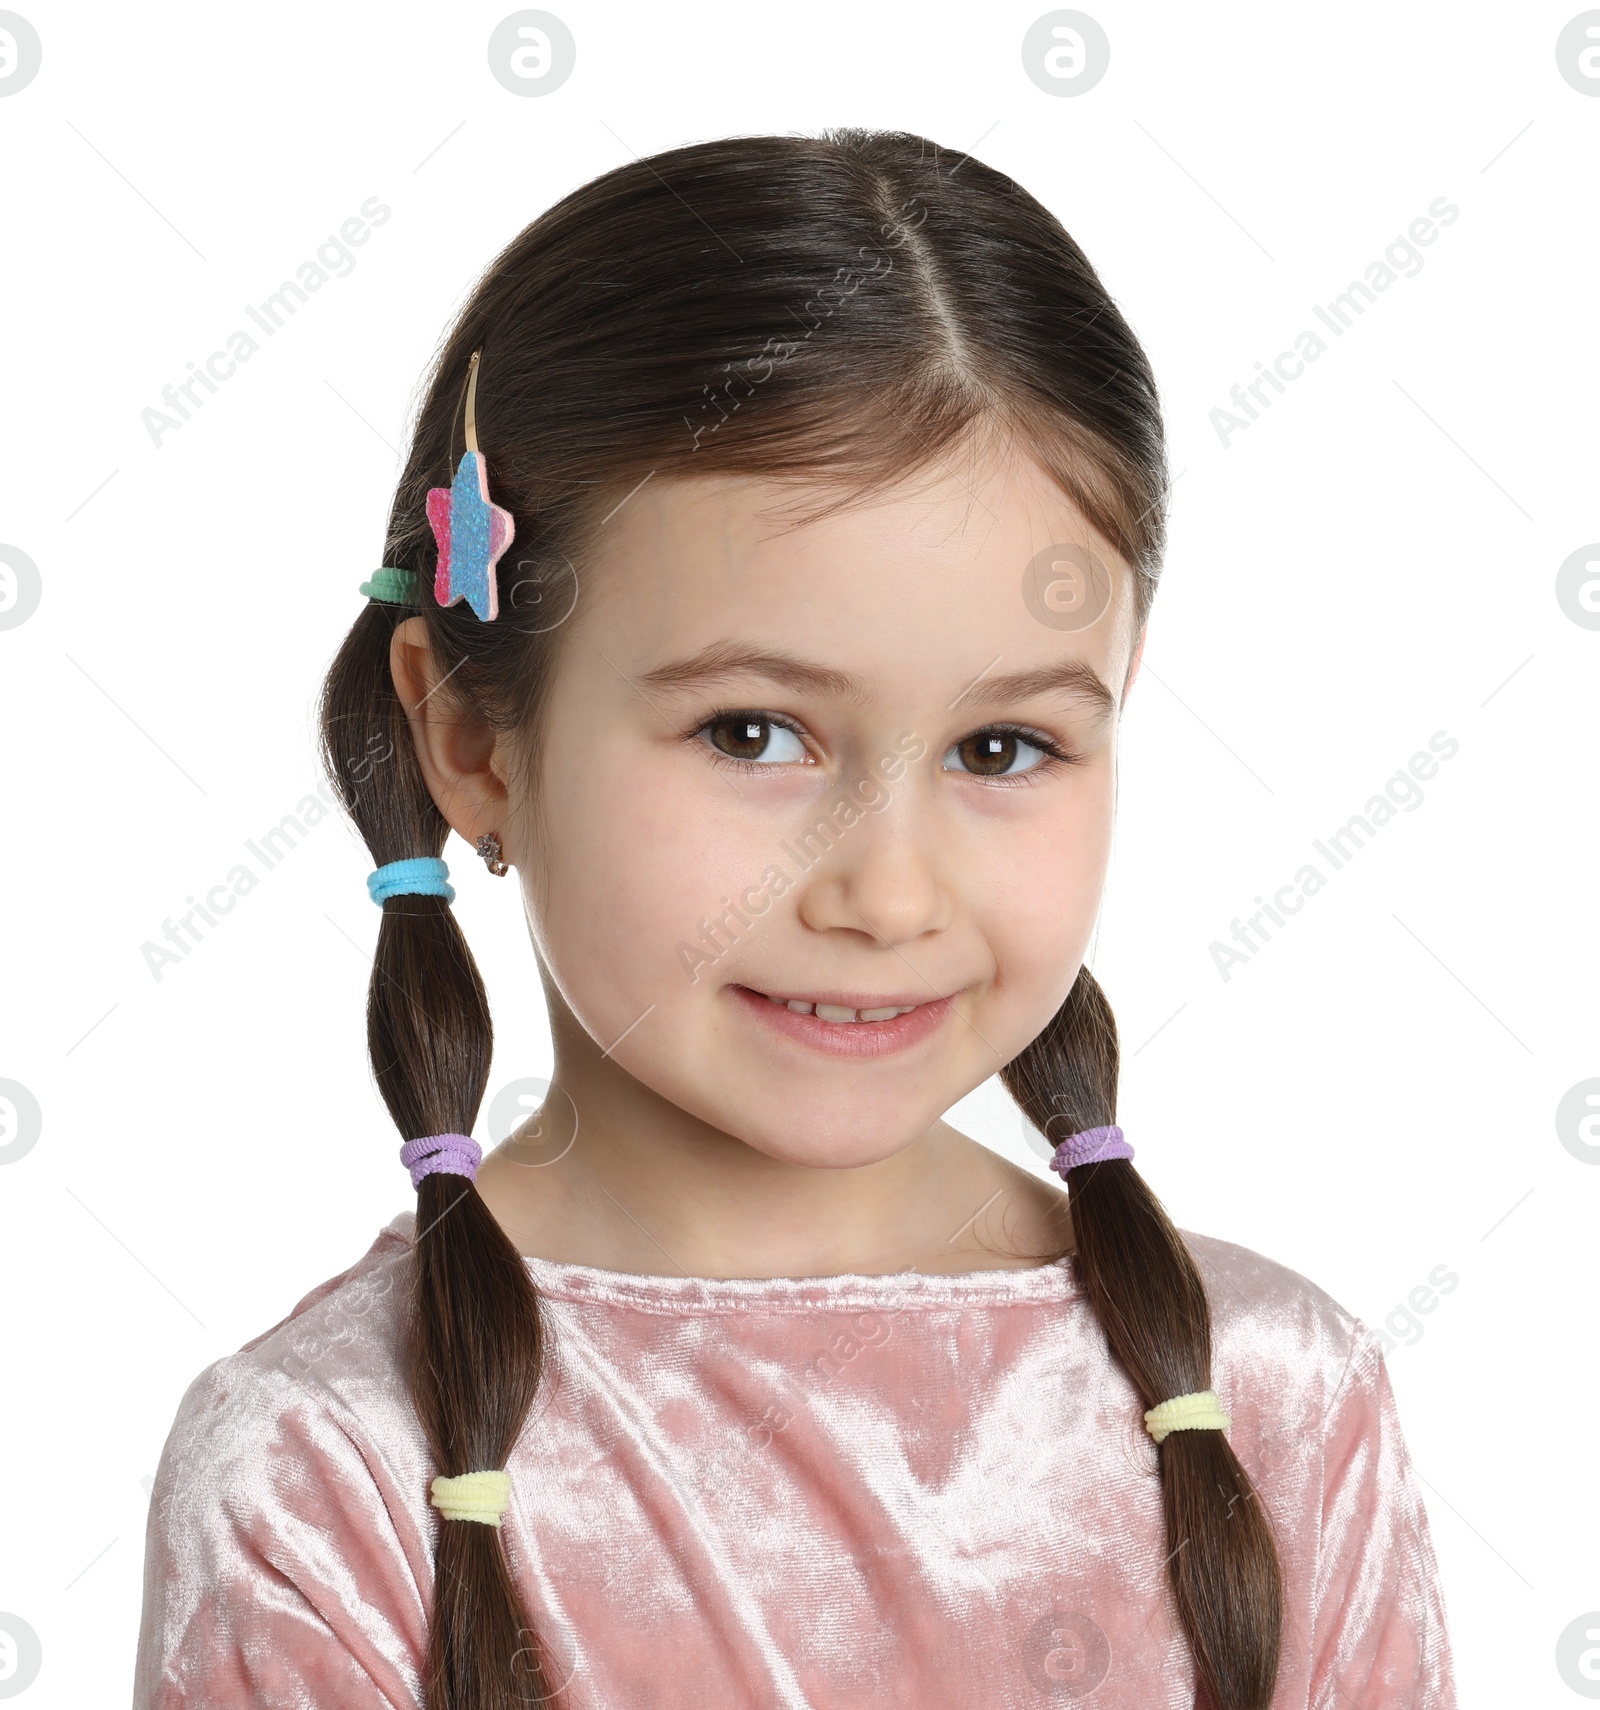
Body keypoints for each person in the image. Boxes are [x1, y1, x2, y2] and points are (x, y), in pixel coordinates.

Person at [132, 128, 1455, 1709]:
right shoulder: (330, 1468)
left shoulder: (1281, 1407)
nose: (885, 894)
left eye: (1002, 746)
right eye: (753, 733)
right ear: (474, 739)